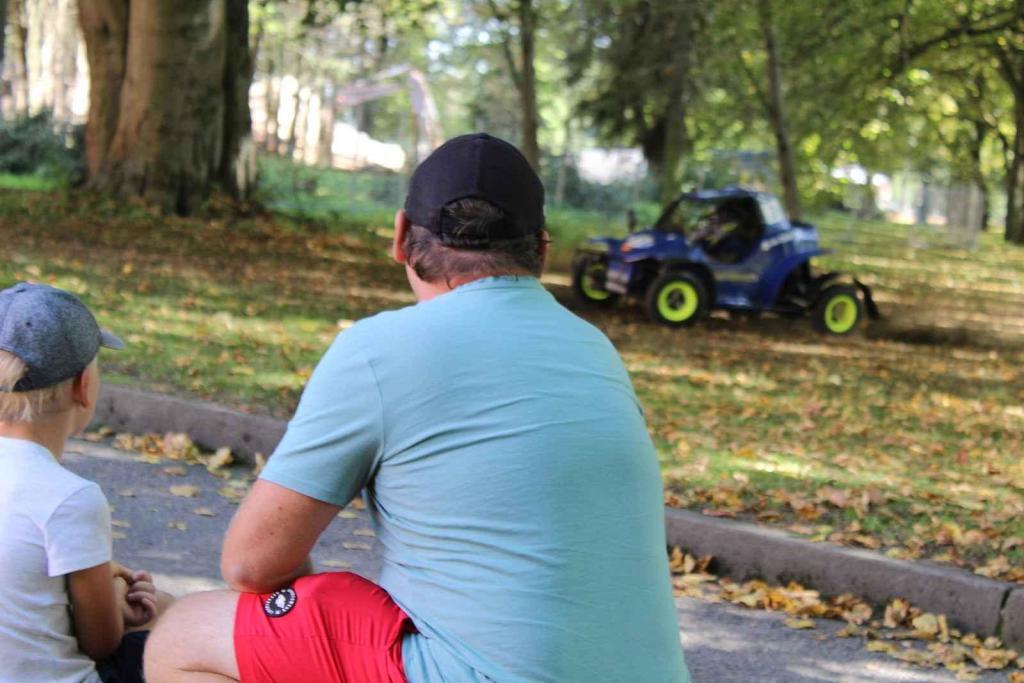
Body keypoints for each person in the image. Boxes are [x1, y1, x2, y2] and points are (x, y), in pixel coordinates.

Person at [145, 133, 690, 683]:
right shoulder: (596, 350)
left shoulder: (378, 350)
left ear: (401, 237)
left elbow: (252, 564)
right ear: (543, 250)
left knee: (183, 633)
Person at [0, 282, 172, 683]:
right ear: (83, 386)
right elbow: (102, 642)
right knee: (185, 628)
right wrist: (115, 592)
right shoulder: (72, 498)